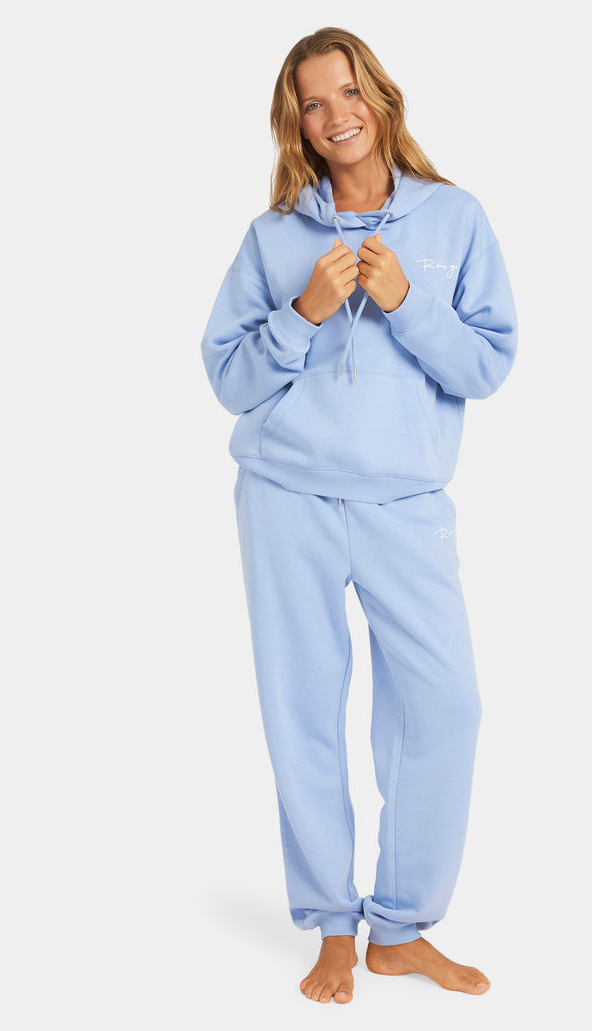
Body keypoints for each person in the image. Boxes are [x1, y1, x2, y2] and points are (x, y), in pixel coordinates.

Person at [200, 27, 517, 1004]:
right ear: (295, 122)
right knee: (303, 708)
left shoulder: (453, 218)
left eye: (348, 91)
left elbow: (486, 365)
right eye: (313, 101)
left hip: (404, 502)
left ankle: (402, 926)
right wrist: (300, 313)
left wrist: (407, 301)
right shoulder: (273, 236)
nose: (335, 114)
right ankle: (333, 926)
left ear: (379, 96)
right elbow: (228, 379)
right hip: (285, 497)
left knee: (445, 705)